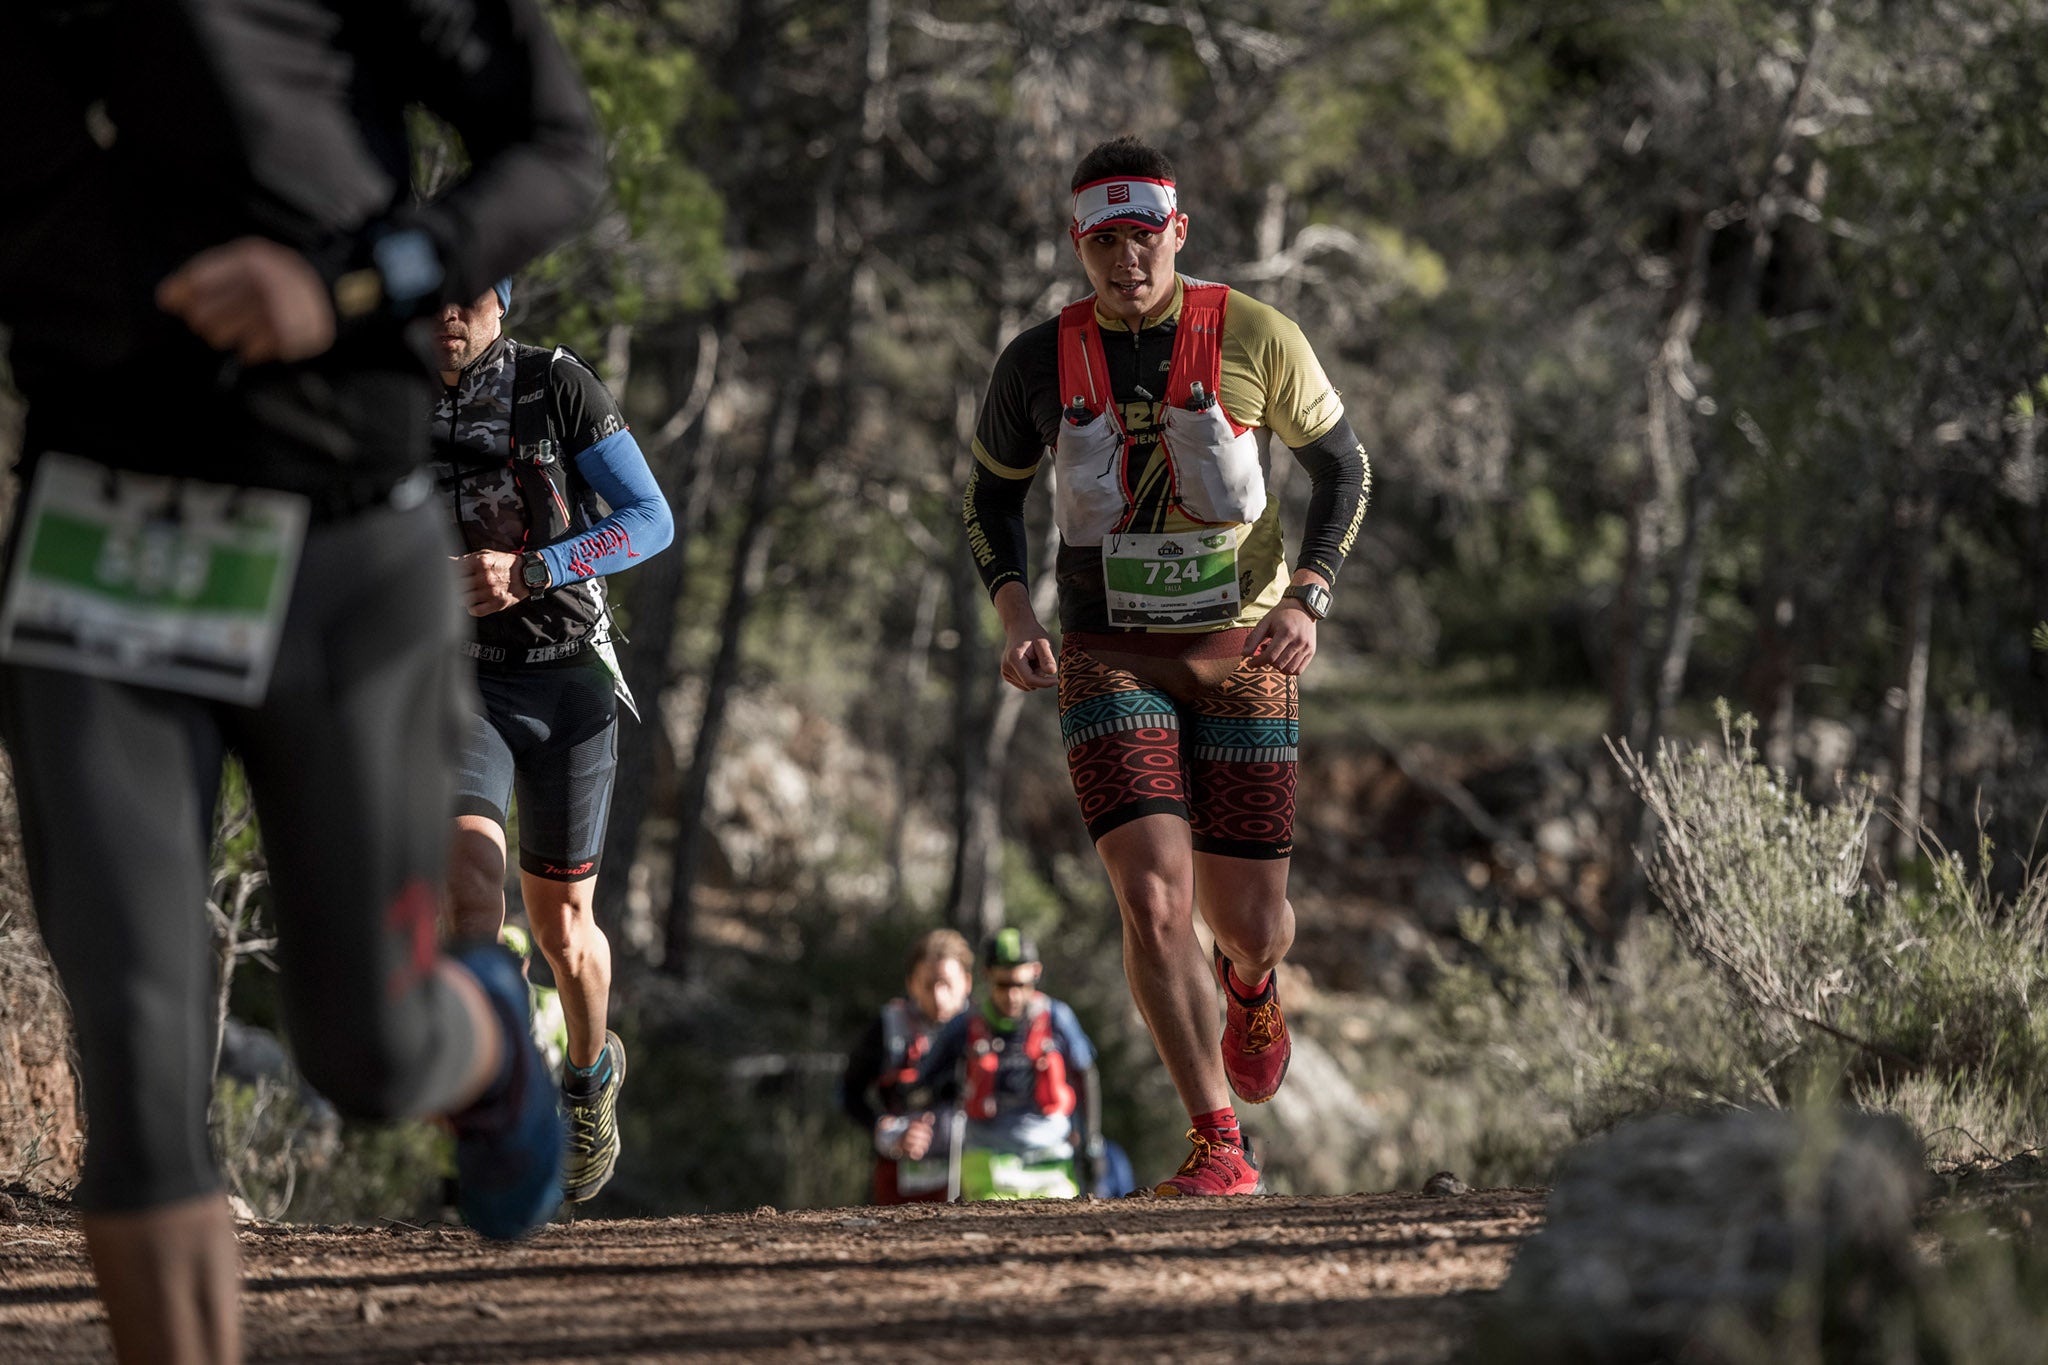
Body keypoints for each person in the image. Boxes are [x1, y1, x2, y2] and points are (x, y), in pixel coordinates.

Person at [0, 3, 604, 1361]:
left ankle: (487, 1034)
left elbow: (555, 148)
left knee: (368, 1052)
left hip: (341, 547)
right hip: (100, 551)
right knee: (140, 1052)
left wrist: (350, 281)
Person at [960, 135, 1371, 1196]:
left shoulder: (1254, 334)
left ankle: (1251, 981)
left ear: (1175, 232)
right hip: (1106, 658)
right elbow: (987, 497)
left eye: (1142, 238)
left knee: (1248, 920)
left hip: (1242, 647)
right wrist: (1014, 611)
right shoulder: (1034, 361)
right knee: (1150, 903)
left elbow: (1342, 466)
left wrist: (1310, 598)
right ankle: (1216, 1140)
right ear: (1077, 244)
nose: (1124, 260)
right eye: (1104, 242)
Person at [432, 277, 673, 1205]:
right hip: (463, 683)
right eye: (433, 297)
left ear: (501, 300)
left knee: (563, 932)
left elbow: (651, 519)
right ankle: (496, 1110)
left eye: (469, 296)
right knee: (468, 886)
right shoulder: (388, 400)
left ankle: (586, 1076)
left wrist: (535, 567)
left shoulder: (555, 386)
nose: (449, 315)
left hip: (569, 674)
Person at [914, 930, 1106, 1201]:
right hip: (986, 1159)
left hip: (1050, 1159)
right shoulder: (966, 1025)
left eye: (1021, 985)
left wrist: (1092, 1142)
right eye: (1003, 985)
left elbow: (1085, 1074)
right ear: (987, 975)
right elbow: (924, 1081)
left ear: (1036, 972)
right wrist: (940, 1091)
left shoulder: (1057, 1018)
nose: (1013, 996)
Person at [838, 928, 975, 1204]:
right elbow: (849, 1092)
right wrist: (886, 1129)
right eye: (928, 985)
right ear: (912, 984)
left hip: (974, 1174)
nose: (939, 997)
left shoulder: (983, 1030)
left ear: (967, 982)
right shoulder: (890, 1026)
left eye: (947, 984)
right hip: (902, 1180)